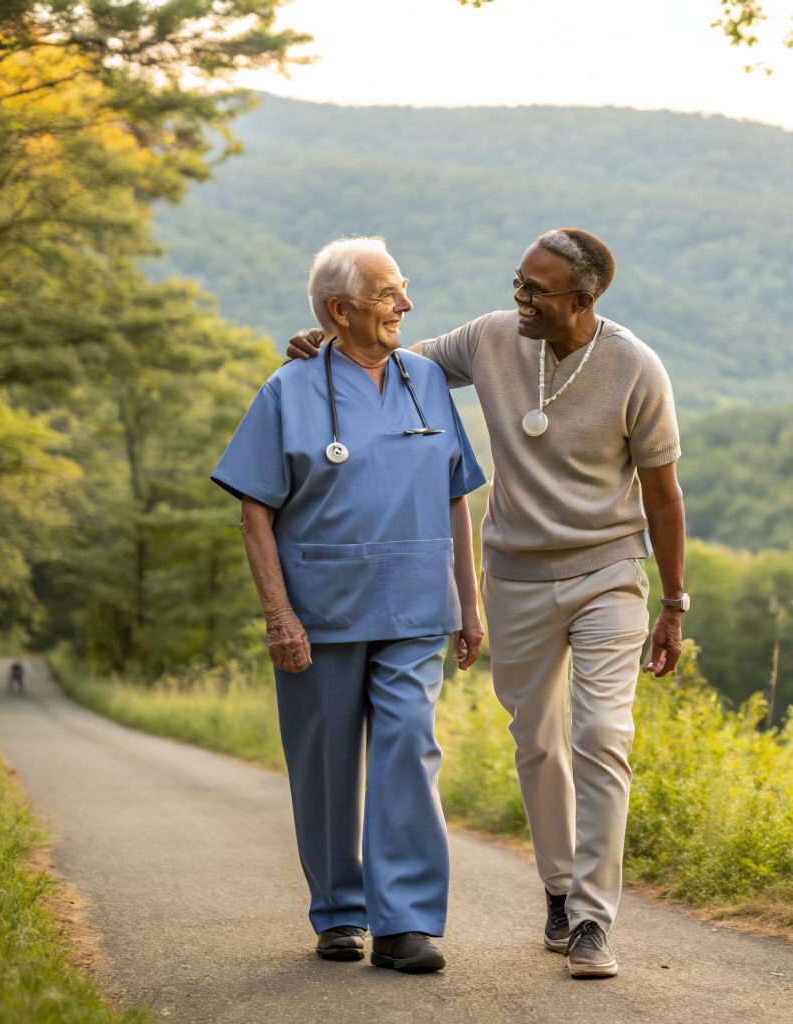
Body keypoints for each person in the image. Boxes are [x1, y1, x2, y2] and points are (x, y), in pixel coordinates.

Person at [284, 228, 687, 978]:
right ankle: (560, 891)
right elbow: (392, 359)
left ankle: (594, 920)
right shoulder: (493, 338)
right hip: (516, 575)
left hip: (609, 571)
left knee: (601, 733)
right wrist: (328, 339)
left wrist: (674, 601)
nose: (518, 298)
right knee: (535, 740)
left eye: (535, 290)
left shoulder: (634, 366)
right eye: (517, 281)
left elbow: (663, 497)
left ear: (582, 299)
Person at [214, 237, 487, 973]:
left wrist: (470, 600)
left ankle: (404, 924)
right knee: (326, 761)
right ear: (339, 309)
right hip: (321, 610)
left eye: (403, 289)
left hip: (416, 606)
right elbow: (255, 512)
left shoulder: (426, 380)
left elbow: (457, 494)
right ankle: (339, 912)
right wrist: (279, 615)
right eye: (389, 294)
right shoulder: (288, 389)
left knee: (408, 748)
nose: (406, 305)